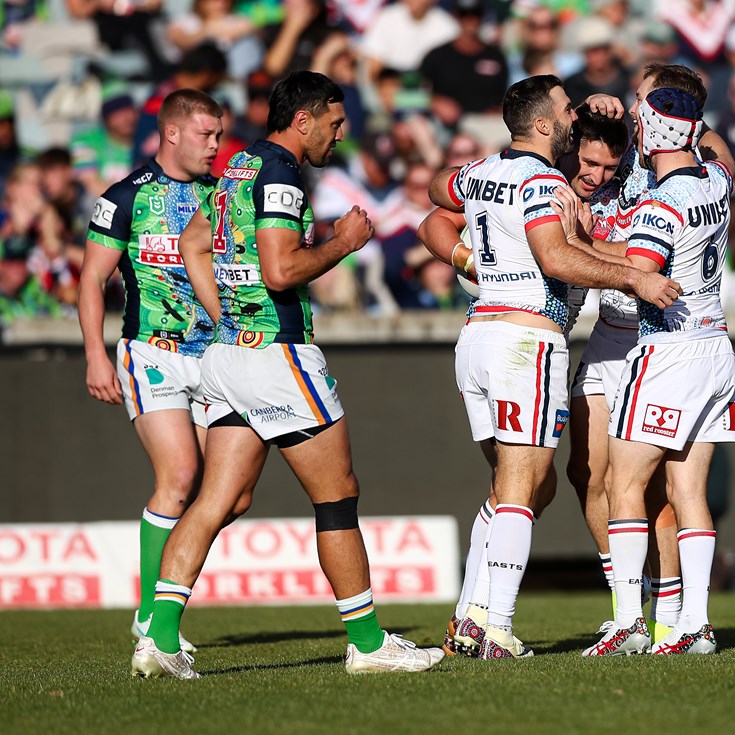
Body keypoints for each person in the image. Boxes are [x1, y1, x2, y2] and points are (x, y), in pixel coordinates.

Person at [131, 70, 445, 679]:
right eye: (334, 120)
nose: (341, 132)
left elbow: (195, 243)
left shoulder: (238, 167)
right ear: (304, 119)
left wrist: (227, 313)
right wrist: (344, 241)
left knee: (216, 499)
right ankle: (369, 642)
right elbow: (280, 271)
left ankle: (159, 639)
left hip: (227, 355)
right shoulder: (280, 172)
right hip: (277, 356)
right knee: (337, 497)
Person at [426, 74, 681, 660]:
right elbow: (556, 255)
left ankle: (470, 615)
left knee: (520, 487)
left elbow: (440, 192)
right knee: (523, 485)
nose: (573, 115)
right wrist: (636, 273)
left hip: (479, 337)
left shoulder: (486, 169)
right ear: (544, 125)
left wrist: (475, 256)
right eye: (566, 109)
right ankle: (496, 629)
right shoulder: (543, 180)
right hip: (526, 341)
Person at [567, 64, 735, 646]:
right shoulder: (717, 182)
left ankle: (628, 622)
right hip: (716, 347)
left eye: (641, 117)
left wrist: (578, 244)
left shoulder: (661, 208)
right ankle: (694, 626)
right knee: (689, 492)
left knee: (624, 485)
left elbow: (638, 272)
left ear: (653, 133)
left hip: (666, 351)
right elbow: (717, 154)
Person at [78, 89, 224, 656]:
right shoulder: (124, 197)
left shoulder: (224, 196)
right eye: (206, 135)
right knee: (180, 476)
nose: (215, 146)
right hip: (153, 351)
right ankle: (150, 615)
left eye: (218, 135)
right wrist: (95, 354)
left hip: (216, 355)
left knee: (228, 494)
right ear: (171, 134)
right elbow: (92, 279)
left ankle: (160, 597)